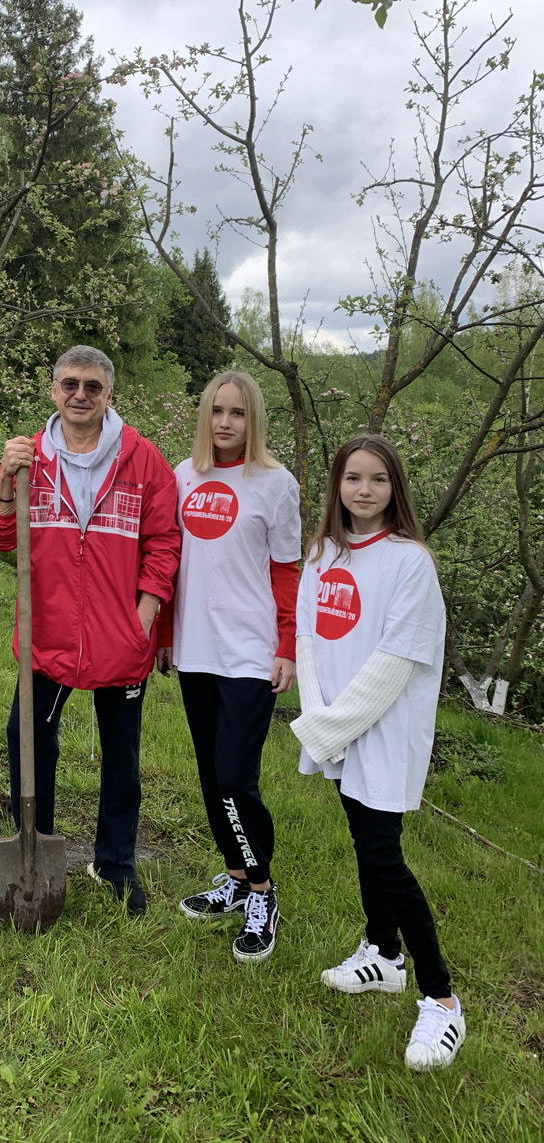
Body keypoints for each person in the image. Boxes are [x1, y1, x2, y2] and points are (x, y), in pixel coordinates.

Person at [0, 345, 180, 915]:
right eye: (69, 384)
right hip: (47, 633)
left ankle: (116, 864)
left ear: (108, 394)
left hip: (120, 639)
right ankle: (35, 843)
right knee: (27, 739)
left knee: (122, 754)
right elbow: (1, 538)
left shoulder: (143, 459)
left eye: (92, 386)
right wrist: (4, 484)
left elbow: (165, 543)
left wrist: (144, 617)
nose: (80, 395)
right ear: (53, 391)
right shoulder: (28, 456)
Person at [291, 434, 464, 1070]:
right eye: (353, 479)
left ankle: (441, 1000)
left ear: (396, 489)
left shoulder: (409, 562)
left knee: (385, 856)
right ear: (336, 485)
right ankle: (383, 955)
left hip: (382, 728)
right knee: (364, 842)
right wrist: (319, 714)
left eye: (379, 480)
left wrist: (332, 727)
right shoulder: (322, 554)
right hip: (337, 723)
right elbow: (309, 638)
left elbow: (396, 663)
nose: (364, 491)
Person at [155, 371, 300, 963]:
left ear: (253, 419)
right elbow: (167, 558)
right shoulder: (182, 476)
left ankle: (263, 892)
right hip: (194, 649)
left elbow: (287, 570)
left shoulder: (275, 483)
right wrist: (165, 634)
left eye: (237, 413)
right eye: (217, 411)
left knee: (236, 777)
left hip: (249, 652)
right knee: (213, 776)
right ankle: (237, 878)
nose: (224, 423)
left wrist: (287, 646)